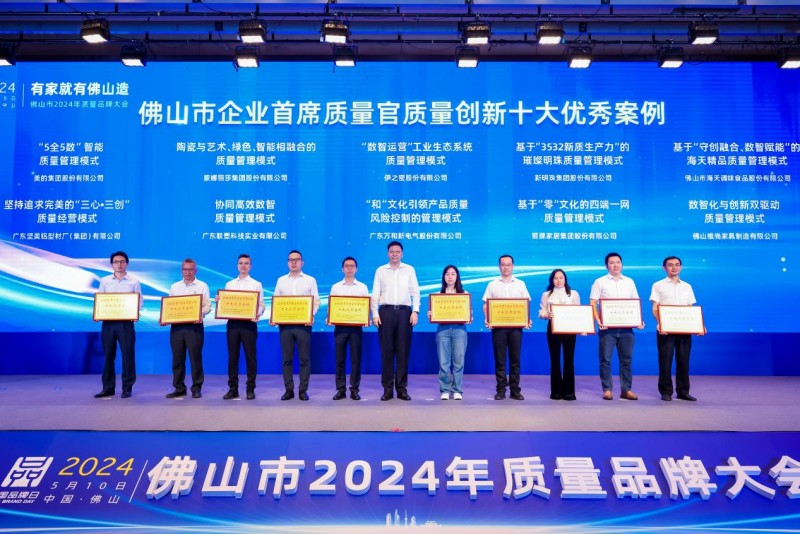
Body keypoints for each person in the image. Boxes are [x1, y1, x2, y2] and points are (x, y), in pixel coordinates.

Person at [589, 252, 644, 401]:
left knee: (626, 360)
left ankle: (626, 390)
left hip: (627, 329)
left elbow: (635, 303)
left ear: (622, 264)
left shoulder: (629, 282)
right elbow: (593, 303)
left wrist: (639, 320)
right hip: (607, 329)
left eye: (618, 262)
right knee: (605, 360)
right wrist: (598, 320)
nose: (615, 265)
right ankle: (607, 389)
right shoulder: (599, 282)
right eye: (612, 262)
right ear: (606, 265)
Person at [371, 241, 419, 401]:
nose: (394, 254)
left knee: (403, 352)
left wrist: (415, 311)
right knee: (387, 352)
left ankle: (402, 389)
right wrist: (375, 313)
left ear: (402, 254)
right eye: (392, 251)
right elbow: (375, 293)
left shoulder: (409, 269)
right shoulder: (380, 270)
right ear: (388, 253)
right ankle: (387, 389)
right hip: (385, 312)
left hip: (405, 313)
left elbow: (415, 291)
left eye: (397, 252)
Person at [650, 255, 701, 402]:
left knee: (684, 361)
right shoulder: (658, 285)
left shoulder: (687, 286)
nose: (674, 267)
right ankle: (666, 391)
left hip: (684, 329)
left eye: (677, 265)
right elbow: (655, 308)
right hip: (665, 330)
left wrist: (697, 325)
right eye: (670, 265)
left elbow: (690, 308)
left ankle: (683, 391)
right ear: (664, 268)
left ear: (681, 267)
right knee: (665, 361)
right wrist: (661, 323)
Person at [482, 254, 531, 401]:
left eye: (508, 264)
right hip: (498, 328)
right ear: (499, 267)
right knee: (500, 360)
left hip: (516, 328)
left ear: (513, 266)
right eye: (503, 264)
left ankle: (515, 390)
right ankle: (501, 390)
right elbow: (486, 305)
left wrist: (526, 320)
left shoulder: (520, 284)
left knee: (515, 360)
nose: (506, 267)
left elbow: (525, 304)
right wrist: (488, 319)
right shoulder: (492, 284)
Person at [94, 251, 143, 399]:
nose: (119, 264)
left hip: (126, 324)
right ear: (112, 264)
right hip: (108, 323)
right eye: (116, 262)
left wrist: (136, 312)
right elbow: (100, 300)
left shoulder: (134, 281)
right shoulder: (105, 281)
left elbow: (139, 301)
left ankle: (127, 388)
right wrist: (97, 313)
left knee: (128, 355)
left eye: (122, 261)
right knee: (108, 356)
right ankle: (107, 388)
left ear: (126, 263)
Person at [274, 250, 320, 401]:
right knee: (286, 359)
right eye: (291, 260)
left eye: (297, 259)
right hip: (285, 326)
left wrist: (310, 315)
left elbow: (316, 301)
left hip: (303, 325)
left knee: (304, 359)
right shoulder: (281, 280)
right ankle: (289, 390)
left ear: (302, 262)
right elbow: (276, 301)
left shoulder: (310, 280)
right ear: (287, 263)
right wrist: (275, 316)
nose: (293, 262)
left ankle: (302, 390)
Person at [166, 258, 211, 399]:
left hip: (194, 327)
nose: (188, 272)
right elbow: (169, 306)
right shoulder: (175, 286)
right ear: (181, 271)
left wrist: (199, 313)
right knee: (177, 359)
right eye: (185, 269)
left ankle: (196, 388)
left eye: (190, 269)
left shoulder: (202, 286)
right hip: (177, 327)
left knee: (195, 358)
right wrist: (165, 318)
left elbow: (207, 306)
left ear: (195, 271)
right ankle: (179, 388)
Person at [222, 253, 264, 401]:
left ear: (250, 266)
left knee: (250, 357)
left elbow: (261, 305)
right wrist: (220, 302)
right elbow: (225, 304)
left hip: (249, 324)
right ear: (237, 265)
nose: (243, 266)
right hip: (233, 324)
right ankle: (233, 389)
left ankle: (250, 389)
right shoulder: (229, 284)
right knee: (233, 358)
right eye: (241, 263)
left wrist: (257, 313)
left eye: (246, 263)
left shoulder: (256, 284)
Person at [329, 256, 369, 401]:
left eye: (352, 266)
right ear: (342, 269)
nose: (349, 268)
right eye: (347, 266)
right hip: (340, 328)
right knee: (339, 360)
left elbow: (366, 307)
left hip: (356, 329)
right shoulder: (336, 287)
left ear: (356, 269)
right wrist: (330, 317)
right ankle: (340, 390)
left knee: (355, 360)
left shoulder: (362, 287)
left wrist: (366, 318)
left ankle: (354, 389)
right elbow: (332, 307)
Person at [428, 265, 470, 401]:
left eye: (453, 274)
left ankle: (457, 390)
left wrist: (469, 316)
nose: (450, 277)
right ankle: (445, 390)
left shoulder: (464, 294)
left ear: (457, 277)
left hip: (459, 330)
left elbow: (469, 315)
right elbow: (433, 315)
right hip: (443, 330)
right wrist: (432, 314)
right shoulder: (438, 296)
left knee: (459, 362)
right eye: (447, 274)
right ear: (443, 277)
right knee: (443, 362)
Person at [538, 269, 580, 401]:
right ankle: (556, 392)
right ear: (552, 280)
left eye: (561, 277)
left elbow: (578, 311)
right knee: (555, 359)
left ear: (565, 279)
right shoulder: (546, 294)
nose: (558, 280)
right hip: (553, 328)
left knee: (569, 359)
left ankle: (569, 392)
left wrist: (582, 328)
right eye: (555, 278)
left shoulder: (573, 294)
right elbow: (542, 311)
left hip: (569, 328)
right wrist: (546, 314)